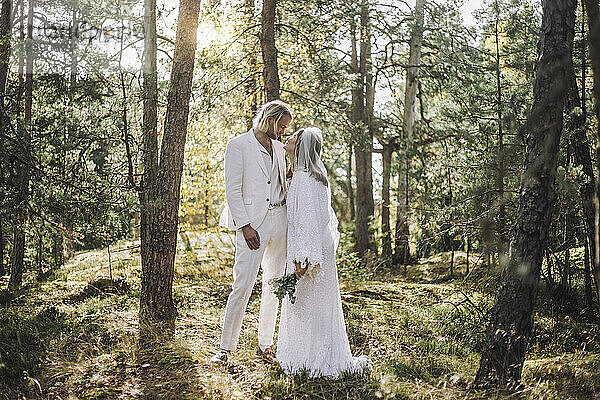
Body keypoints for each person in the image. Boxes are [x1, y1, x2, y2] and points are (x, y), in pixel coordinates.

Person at [276, 127, 370, 377]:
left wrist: (303, 260)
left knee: (309, 304)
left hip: (309, 253)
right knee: (309, 304)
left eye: (294, 135)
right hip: (310, 249)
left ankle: (313, 359)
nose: (288, 137)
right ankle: (305, 356)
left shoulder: (306, 180)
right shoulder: (304, 175)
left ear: (301, 146)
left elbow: (308, 221)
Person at [211, 100, 292, 364]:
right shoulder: (238, 146)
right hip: (252, 226)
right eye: (281, 126)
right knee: (242, 284)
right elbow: (233, 190)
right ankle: (225, 348)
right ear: (270, 119)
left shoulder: (279, 148)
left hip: (280, 221)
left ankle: (265, 344)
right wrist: (244, 226)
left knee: (274, 285)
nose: (283, 131)